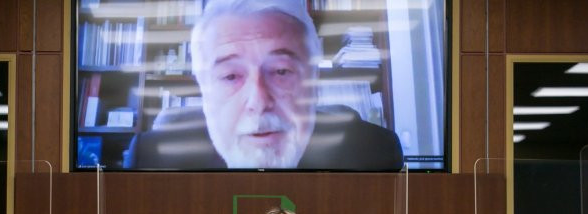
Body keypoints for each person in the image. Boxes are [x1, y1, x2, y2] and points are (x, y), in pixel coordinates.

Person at [125, 0, 403, 170]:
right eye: (231, 76)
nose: (258, 101)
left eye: (281, 71)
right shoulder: (152, 160)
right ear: (203, 88)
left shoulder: (373, 152)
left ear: (314, 81)